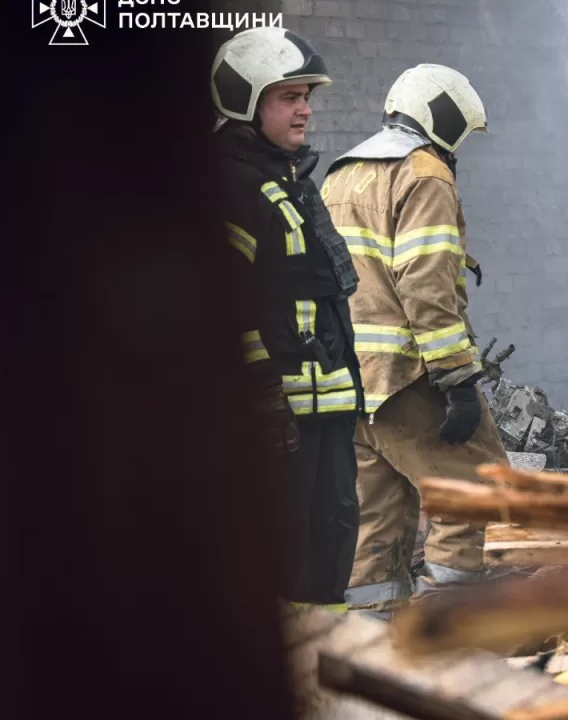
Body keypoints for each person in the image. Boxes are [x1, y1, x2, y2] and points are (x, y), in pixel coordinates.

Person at [321, 63, 506, 609]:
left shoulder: (342, 172)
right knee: (469, 490)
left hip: (351, 382)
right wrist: (458, 382)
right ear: (442, 118)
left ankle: (372, 643)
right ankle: (441, 632)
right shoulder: (423, 173)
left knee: (374, 519)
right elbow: (425, 285)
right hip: (408, 377)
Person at [211, 27, 364, 609]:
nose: (304, 109)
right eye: (288, 97)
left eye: (307, 97)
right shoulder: (234, 186)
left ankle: (321, 662)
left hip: (323, 404)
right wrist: (261, 393)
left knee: (332, 529)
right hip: (277, 413)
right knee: (281, 548)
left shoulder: (289, 180)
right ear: (246, 102)